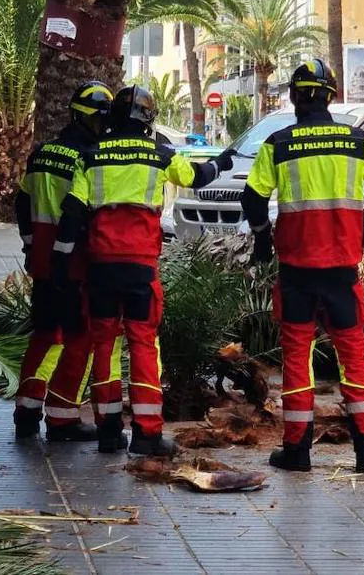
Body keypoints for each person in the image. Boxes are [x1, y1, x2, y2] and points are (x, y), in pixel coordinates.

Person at [53, 85, 234, 456]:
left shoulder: (90, 155)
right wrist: (223, 162)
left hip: (101, 267)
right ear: (147, 119)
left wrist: (59, 263)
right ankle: (147, 435)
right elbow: (195, 178)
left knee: (103, 345)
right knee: (143, 346)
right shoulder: (160, 153)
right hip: (140, 269)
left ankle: (107, 430)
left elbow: (72, 213)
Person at [241, 59, 364, 474]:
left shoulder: (278, 143)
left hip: (296, 271)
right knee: (354, 357)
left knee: (297, 359)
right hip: (342, 271)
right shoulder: (358, 141)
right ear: (330, 96)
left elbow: (253, 199)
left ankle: (297, 451)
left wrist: (262, 237)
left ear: (294, 97)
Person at [13, 82, 114, 441]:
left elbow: (22, 203)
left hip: (41, 262)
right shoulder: (86, 158)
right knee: (78, 339)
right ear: (90, 120)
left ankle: (26, 412)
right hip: (72, 265)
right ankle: (61, 418)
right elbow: (81, 214)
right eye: (103, 121)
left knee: (43, 335)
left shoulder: (41, 154)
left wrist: (29, 246)